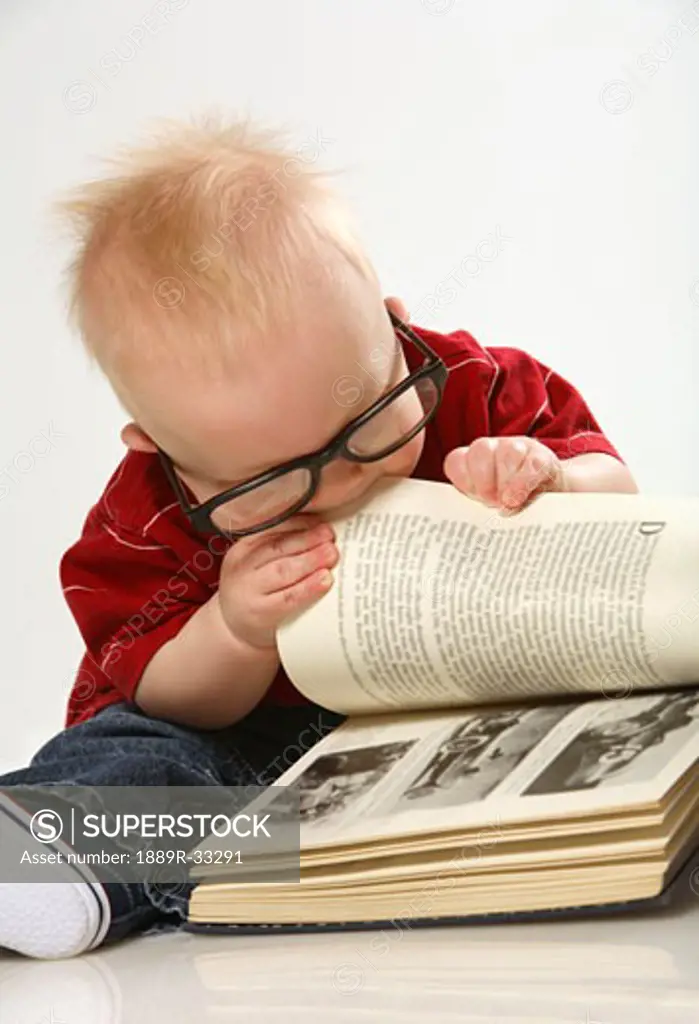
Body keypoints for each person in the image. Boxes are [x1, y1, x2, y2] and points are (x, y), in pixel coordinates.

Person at [0, 118, 637, 959]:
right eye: (273, 481)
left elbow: (622, 507)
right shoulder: (146, 516)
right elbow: (161, 693)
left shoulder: (479, 388)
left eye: (367, 423)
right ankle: (52, 861)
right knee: (144, 761)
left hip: (488, 719)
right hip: (274, 767)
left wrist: (549, 477)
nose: (341, 483)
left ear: (395, 329)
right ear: (162, 453)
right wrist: (233, 631)